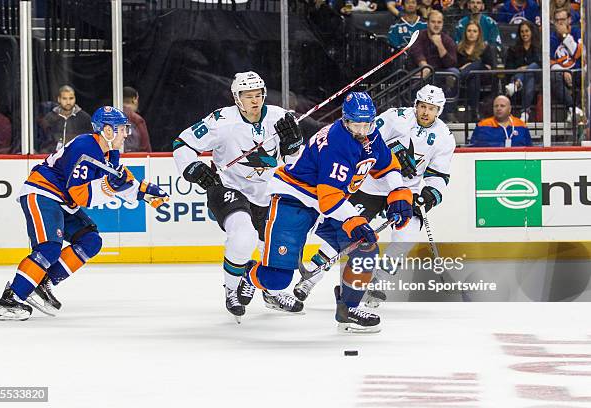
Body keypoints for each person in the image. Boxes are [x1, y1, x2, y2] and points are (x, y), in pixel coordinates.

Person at [236, 92, 413, 333]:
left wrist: (399, 192)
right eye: (356, 124)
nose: (362, 131)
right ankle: (251, 275)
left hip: (327, 201)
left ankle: (348, 308)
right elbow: (330, 200)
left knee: (365, 246)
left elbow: (386, 165)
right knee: (276, 279)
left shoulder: (370, 133)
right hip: (295, 199)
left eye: (367, 124)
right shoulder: (337, 143)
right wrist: (353, 220)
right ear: (345, 120)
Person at [0, 106, 169, 321]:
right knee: (48, 249)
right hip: (43, 194)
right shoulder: (84, 147)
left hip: (63, 202)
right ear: (107, 131)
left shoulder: (109, 152)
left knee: (90, 241)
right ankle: (10, 300)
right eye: (122, 129)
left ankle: (41, 283)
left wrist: (145, 191)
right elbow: (81, 196)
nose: (126, 133)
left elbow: (119, 180)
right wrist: (110, 186)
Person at [294, 85, 454, 307]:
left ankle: (379, 281)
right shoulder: (394, 118)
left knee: (405, 238)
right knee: (346, 231)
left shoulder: (445, 137)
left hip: (406, 191)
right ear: (415, 105)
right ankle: (311, 276)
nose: (426, 112)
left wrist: (428, 196)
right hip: (373, 184)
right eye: (423, 106)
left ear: (440, 110)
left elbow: (439, 175)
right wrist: (392, 152)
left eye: (432, 108)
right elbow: (364, 139)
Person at [172, 72, 304, 321]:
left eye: (258, 95)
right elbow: (182, 144)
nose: (255, 101)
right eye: (248, 96)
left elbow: (294, 164)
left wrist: (294, 146)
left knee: (277, 251)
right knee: (244, 236)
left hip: (269, 193)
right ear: (237, 98)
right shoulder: (221, 121)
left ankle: (271, 292)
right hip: (229, 187)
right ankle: (232, 290)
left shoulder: (280, 118)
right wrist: (193, 168)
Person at [409, 11, 459, 116]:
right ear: (428, 23)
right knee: (419, 76)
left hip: (440, 73)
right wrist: (425, 67)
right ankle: (413, 111)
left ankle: (449, 112)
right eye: (433, 22)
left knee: (454, 73)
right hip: (423, 70)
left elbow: (451, 63)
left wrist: (439, 45)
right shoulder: (420, 36)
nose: (436, 25)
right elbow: (416, 53)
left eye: (439, 22)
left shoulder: (447, 40)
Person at [456, 20, 496, 121]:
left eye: (474, 31)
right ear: (465, 32)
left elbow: (490, 67)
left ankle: (462, 75)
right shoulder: (459, 48)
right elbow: (456, 65)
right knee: (474, 76)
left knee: (478, 65)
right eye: (469, 31)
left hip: (483, 76)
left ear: (479, 33)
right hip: (470, 79)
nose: (471, 33)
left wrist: (469, 66)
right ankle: (475, 111)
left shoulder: (485, 47)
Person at [550, 9, 583, 124]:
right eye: (557, 20)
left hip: (579, 73)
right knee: (553, 77)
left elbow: (578, 54)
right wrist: (564, 71)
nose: (560, 23)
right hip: (561, 75)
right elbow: (549, 62)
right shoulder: (551, 37)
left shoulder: (577, 32)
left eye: (563, 20)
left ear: (569, 20)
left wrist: (565, 36)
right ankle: (573, 108)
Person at [39, 85, 93, 153]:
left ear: (75, 98)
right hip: (54, 158)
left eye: (71, 98)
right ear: (59, 99)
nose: (68, 102)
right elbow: (43, 142)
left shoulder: (85, 118)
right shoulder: (49, 118)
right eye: (64, 98)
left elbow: (90, 141)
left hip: (78, 157)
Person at [504, 20, 541, 121]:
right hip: (519, 77)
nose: (524, 34)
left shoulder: (538, 48)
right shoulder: (513, 49)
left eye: (527, 31)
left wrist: (525, 68)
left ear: (531, 32)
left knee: (534, 66)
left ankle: (516, 85)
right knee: (530, 80)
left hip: (537, 77)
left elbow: (541, 64)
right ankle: (525, 112)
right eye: (522, 31)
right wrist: (518, 70)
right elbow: (509, 68)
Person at [122, 86, 152, 152]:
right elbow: (145, 147)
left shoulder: (109, 117)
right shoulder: (137, 119)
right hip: (134, 159)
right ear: (134, 99)